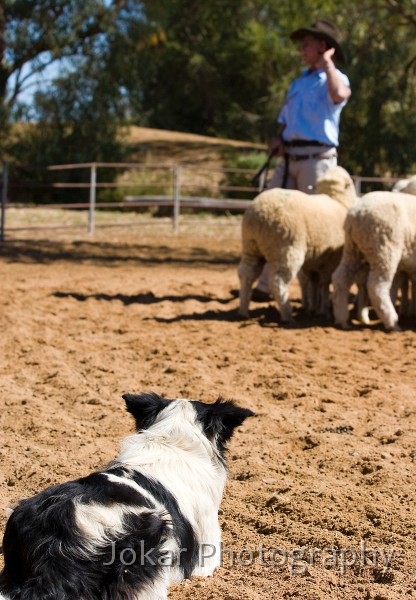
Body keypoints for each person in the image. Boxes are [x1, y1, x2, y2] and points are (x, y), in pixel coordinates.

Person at [253, 18, 351, 301]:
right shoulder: (298, 83)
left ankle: (315, 289)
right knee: (270, 217)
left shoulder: (336, 78)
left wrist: (329, 64)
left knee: (316, 225)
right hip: (290, 157)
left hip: (317, 161)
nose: (302, 49)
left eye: (307, 44)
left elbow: (339, 95)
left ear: (323, 46)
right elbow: (286, 120)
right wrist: (278, 140)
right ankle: (264, 286)